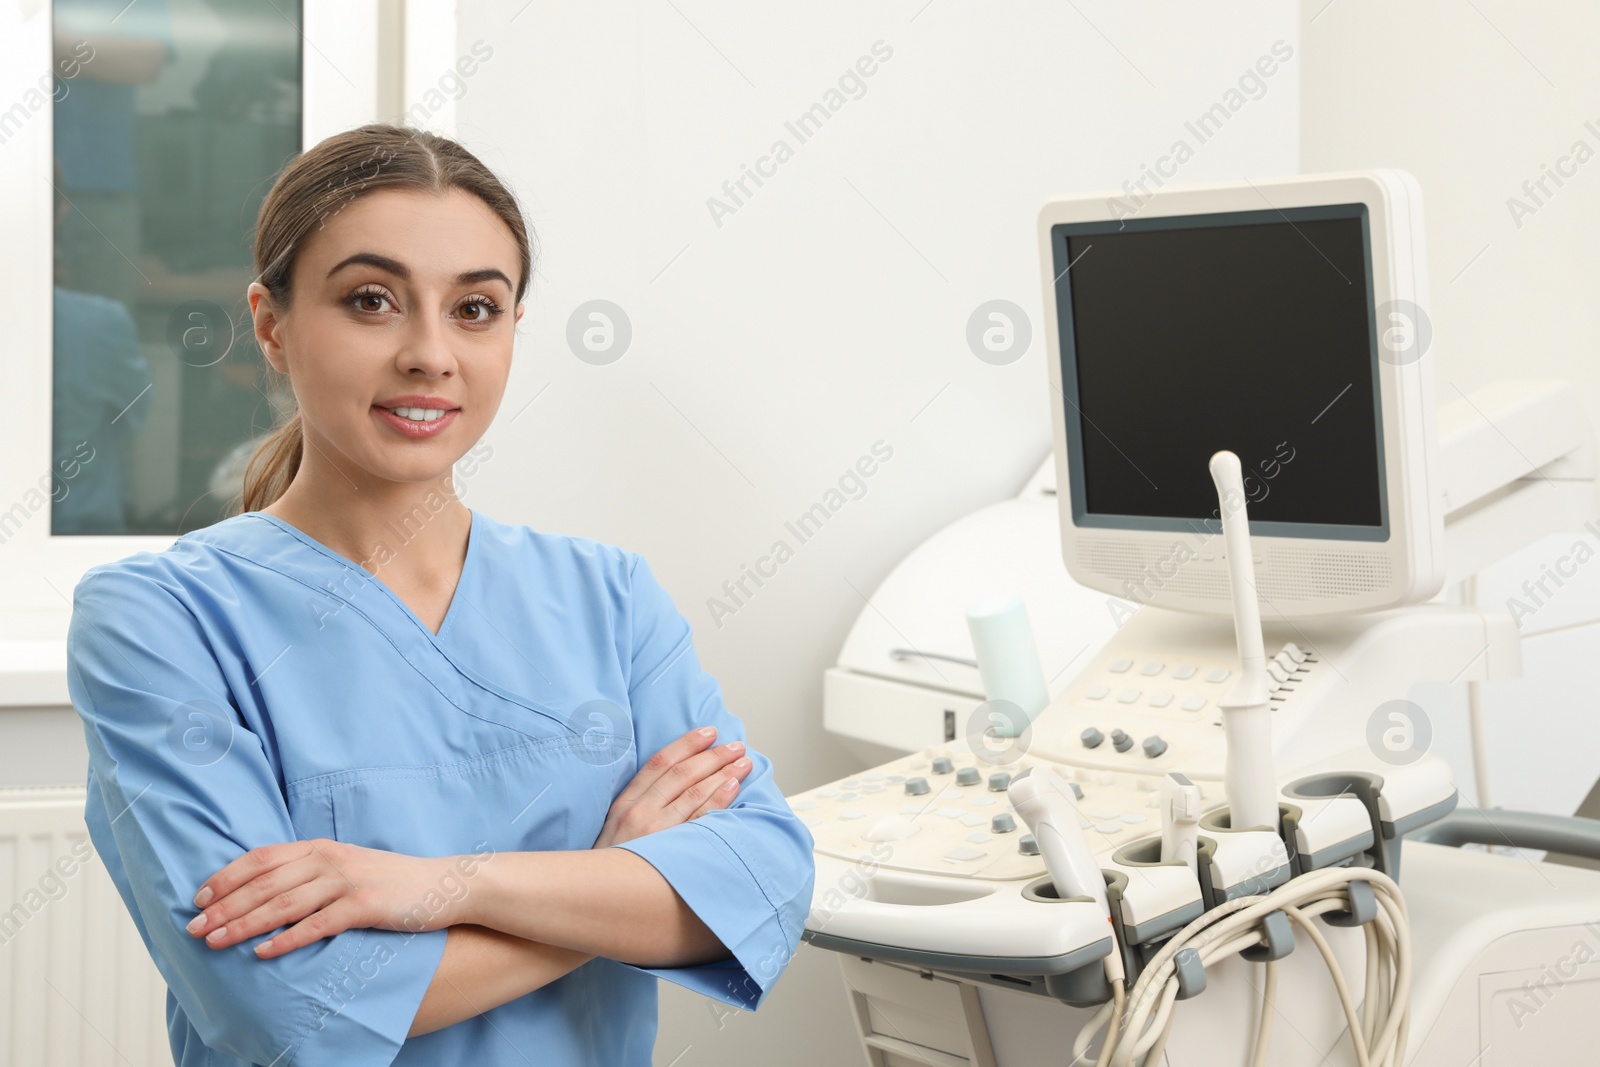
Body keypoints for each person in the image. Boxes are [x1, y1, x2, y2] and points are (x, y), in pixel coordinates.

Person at [65, 124, 815, 1067]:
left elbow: (768, 881)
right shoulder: (160, 622)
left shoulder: (609, 598)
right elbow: (287, 1012)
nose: (430, 353)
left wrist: (440, 885)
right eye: (371, 301)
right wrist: (608, 886)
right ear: (269, 324)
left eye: (475, 309)